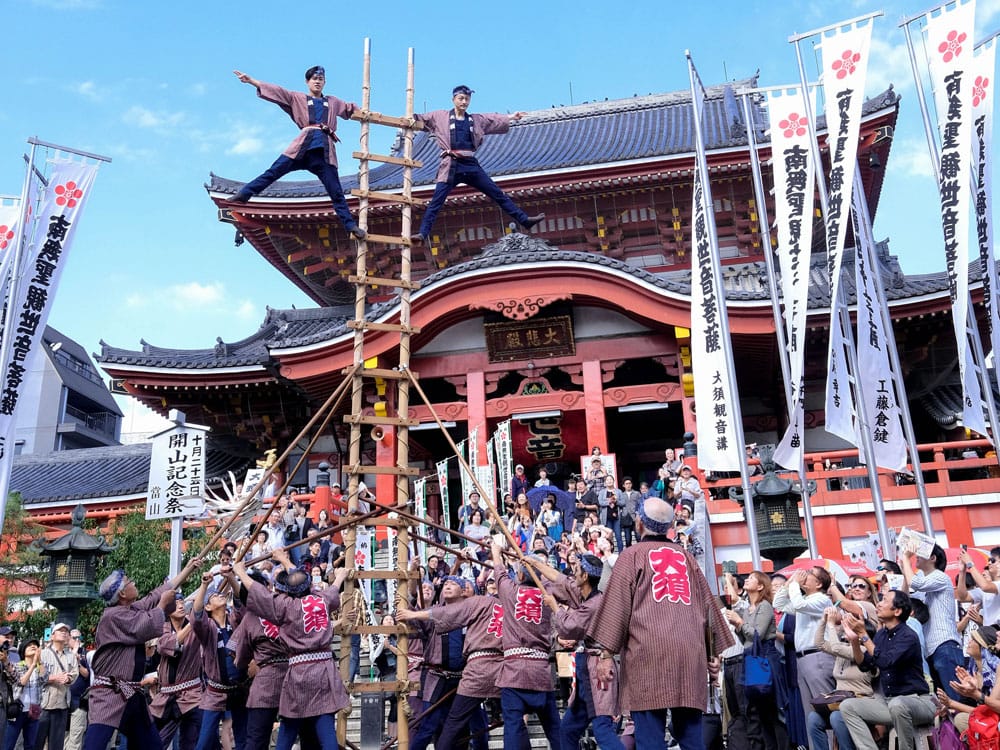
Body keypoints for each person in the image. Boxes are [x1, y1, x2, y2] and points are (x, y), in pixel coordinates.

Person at [588, 497, 732, 750]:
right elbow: (708, 606)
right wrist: (712, 653)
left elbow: (617, 606)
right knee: (691, 736)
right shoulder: (687, 558)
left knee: (650, 735)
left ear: (639, 523)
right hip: (690, 654)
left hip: (647, 652)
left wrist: (606, 654)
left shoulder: (632, 556)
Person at [232, 548, 349, 750]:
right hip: (324, 670)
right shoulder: (320, 600)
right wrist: (339, 577)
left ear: (285, 591)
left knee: (288, 727)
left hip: (298, 673)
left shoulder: (284, 606)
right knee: (325, 728)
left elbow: (262, 594)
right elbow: (326, 589)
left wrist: (240, 573)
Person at [231, 67, 366, 240]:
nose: (317, 81)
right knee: (273, 172)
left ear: (324, 82)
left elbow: (351, 109)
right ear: (307, 82)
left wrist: (367, 113)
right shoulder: (297, 98)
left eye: (320, 78)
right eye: (314, 78)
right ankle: (243, 195)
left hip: (324, 151)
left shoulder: (332, 102)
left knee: (336, 191)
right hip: (302, 146)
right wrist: (252, 81)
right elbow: (278, 92)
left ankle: (350, 225)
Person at [82, 560, 200, 750]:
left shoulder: (131, 609)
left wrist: (188, 569)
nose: (134, 584)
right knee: (94, 745)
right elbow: (144, 626)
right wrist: (162, 605)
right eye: (130, 582)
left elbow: (155, 595)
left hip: (131, 693)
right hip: (109, 693)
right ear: (122, 593)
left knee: (151, 745)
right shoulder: (112, 616)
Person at [411, 86, 544, 244]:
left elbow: (493, 119)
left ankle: (524, 220)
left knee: (497, 193)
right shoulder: (440, 116)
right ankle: (422, 234)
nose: (464, 102)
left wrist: (512, 117)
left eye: (467, 99)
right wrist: (409, 119)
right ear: (453, 99)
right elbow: (419, 119)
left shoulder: (475, 119)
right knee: (436, 201)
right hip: (451, 164)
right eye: (461, 98)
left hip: (470, 164)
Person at [397, 576, 503, 750]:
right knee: (428, 725)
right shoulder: (433, 612)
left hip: (469, 678)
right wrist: (408, 598)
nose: (447, 586)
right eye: (445, 584)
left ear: (464, 591)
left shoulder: (475, 614)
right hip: (438, 676)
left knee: (479, 726)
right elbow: (415, 624)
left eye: (453, 584)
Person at [489, 542, 571, 750]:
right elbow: (559, 585)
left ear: (521, 576)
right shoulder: (547, 595)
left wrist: (496, 552)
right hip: (541, 673)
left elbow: (499, 574)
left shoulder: (511, 592)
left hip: (514, 673)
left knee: (514, 729)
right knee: (555, 730)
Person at [545, 552, 624, 750]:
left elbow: (568, 627)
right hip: (586, 668)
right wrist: (532, 562)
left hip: (599, 669)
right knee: (568, 729)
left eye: (577, 569)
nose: (574, 572)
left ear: (585, 576)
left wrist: (555, 606)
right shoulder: (587, 596)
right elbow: (561, 579)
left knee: (602, 728)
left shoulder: (594, 604)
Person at [839, 591, 938, 750]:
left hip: (919, 702)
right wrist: (855, 641)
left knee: (898, 704)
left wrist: (864, 635)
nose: (878, 604)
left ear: (897, 611)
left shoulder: (908, 636)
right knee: (847, 706)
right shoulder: (881, 635)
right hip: (890, 702)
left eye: (884, 600)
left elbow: (886, 662)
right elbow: (865, 665)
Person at [228, 569, 291, 750]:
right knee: (299, 732)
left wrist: (248, 662)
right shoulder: (288, 607)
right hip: (294, 676)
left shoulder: (251, 618)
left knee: (257, 739)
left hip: (267, 680)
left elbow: (238, 657)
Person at [723, 571, 782, 750]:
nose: (747, 579)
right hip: (751, 658)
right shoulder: (749, 608)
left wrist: (740, 623)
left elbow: (757, 634)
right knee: (756, 710)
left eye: (751, 578)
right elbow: (746, 639)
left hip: (764, 657)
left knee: (771, 709)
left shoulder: (764, 606)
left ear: (760, 586)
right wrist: (739, 626)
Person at [805, 606, 876, 750]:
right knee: (814, 719)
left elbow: (837, 648)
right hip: (838, 701)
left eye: (850, 628)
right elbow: (820, 643)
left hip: (859, 701)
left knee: (836, 717)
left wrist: (831, 625)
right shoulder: (844, 649)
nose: (845, 630)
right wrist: (823, 620)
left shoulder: (863, 652)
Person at [901, 543, 966, 701]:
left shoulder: (940, 576)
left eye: (920, 554)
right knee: (945, 702)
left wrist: (905, 557)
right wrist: (904, 571)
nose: (916, 556)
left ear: (932, 558)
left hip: (945, 645)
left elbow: (916, 584)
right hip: (932, 649)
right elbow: (903, 599)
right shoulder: (924, 579)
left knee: (955, 698)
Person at [773, 566, 836, 723]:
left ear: (819, 583)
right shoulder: (805, 600)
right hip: (802, 658)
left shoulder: (822, 600)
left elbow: (799, 605)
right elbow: (778, 604)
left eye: (809, 574)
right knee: (811, 714)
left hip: (818, 656)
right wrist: (789, 583)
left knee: (826, 708)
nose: (804, 575)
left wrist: (794, 584)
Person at [149, 594, 203, 750]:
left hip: (192, 696)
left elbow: (205, 608)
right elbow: (167, 645)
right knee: (149, 737)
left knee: (194, 741)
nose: (180, 606)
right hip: (164, 697)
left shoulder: (196, 628)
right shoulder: (163, 629)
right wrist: (193, 622)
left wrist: (206, 587)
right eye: (176, 603)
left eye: (182, 603)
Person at [35, 622, 78, 750]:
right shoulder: (42, 654)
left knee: (56, 744)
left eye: (66, 631)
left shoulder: (71, 656)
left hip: (62, 705)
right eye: (60, 630)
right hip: (43, 705)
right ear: (52, 635)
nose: (64, 633)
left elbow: (74, 673)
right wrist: (54, 678)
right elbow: (36, 675)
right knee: (37, 741)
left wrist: (68, 678)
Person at [7, 638, 45, 750]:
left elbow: (45, 679)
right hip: (17, 711)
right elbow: (21, 682)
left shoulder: (40, 667)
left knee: (31, 745)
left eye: (35, 645)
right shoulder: (17, 665)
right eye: (30, 645)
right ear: (23, 650)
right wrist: (33, 665)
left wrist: (39, 661)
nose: (33, 646)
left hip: (34, 711)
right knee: (9, 744)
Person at [619, 477, 641, 549]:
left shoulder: (637, 493)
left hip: (635, 517)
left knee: (638, 537)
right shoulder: (621, 494)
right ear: (623, 485)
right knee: (628, 539)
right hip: (626, 517)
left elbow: (640, 504)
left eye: (629, 483)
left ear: (631, 484)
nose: (628, 485)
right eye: (626, 484)